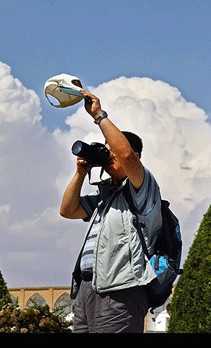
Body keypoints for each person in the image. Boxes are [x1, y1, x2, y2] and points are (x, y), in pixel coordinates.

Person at [60, 89, 163, 333]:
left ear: (136, 157)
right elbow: (67, 210)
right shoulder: (103, 198)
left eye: (111, 150)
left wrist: (99, 116)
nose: (108, 156)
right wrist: (80, 173)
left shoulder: (141, 188)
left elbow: (125, 153)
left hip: (121, 290)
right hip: (87, 290)